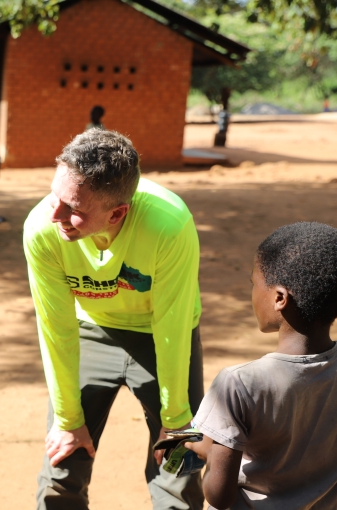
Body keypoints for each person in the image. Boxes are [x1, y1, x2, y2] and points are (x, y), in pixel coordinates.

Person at [23, 129, 204, 510]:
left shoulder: (169, 225)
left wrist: (174, 419)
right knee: (61, 466)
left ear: (117, 213)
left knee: (179, 470)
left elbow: (171, 324)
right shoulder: (42, 226)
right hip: (90, 330)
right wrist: (69, 420)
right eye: (54, 195)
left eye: (72, 207)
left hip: (162, 337)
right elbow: (56, 328)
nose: (54, 214)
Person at [184, 222, 337, 510]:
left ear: (279, 298)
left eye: (254, 283)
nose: (252, 293)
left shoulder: (239, 383)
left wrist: (205, 449)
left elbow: (219, 495)